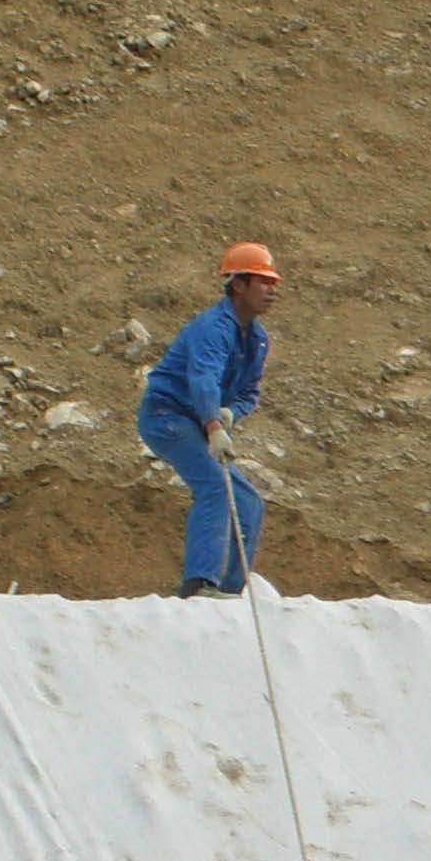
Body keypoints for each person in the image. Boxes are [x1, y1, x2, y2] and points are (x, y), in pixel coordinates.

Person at [137, 241, 282, 598]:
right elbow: (203, 380)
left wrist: (233, 412)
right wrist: (215, 427)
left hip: (197, 424)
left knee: (249, 503)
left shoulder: (257, 340)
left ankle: (232, 592)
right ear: (238, 285)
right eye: (262, 282)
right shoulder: (213, 329)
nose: (271, 290)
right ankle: (199, 584)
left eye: (273, 282)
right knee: (216, 486)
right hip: (167, 416)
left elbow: (249, 393)